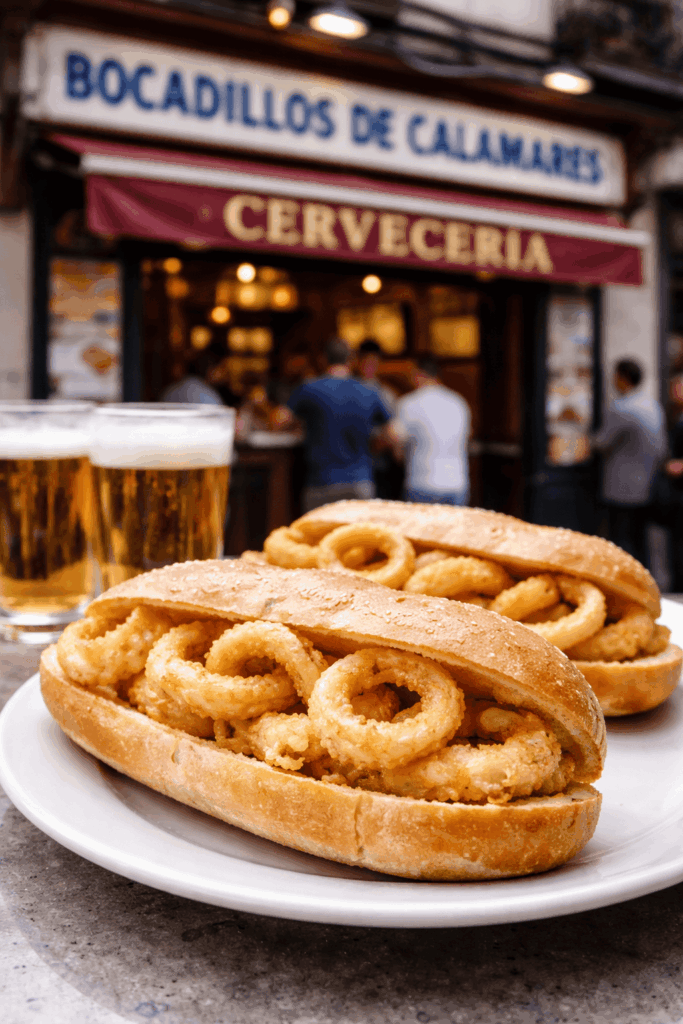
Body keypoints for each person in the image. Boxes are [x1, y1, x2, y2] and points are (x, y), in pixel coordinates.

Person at [286, 337, 392, 512]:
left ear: (323, 359)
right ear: (351, 360)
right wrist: (372, 448)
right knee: (358, 537)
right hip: (360, 480)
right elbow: (394, 434)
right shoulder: (369, 391)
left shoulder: (309, 388)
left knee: (319, 538)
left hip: (320, 481)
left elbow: (281, 420)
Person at [593, 358, 666, 568]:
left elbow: (601, 442)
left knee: (622, 540)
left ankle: (625, 582)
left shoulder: (621, 408)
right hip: (647, 484)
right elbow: (661, 448)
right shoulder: (652, 405)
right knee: (640, 538)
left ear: (623, 378)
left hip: (621, 487)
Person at [388, 356, 471, 506]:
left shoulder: (409, 403)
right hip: (456, 483)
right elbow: (466, 439)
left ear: (418, 375)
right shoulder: (459, 402)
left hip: (422, 483)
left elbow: (395, 441)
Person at [354, 340, 402, 500]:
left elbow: (394, 432)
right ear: (358, 362)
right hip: (355, 466)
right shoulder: (349, 391)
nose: (369, 367)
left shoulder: (386, 394)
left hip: (380, 466)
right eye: (366, 362)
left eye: (373, 363)